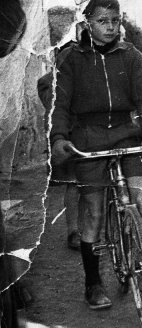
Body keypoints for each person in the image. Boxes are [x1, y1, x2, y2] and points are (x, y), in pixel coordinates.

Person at [49, 0, 142, 311]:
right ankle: (93, 284)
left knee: (141, 197)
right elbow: (60, 105)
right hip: (88, 137)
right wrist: (60, 137)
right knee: (93, 210)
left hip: (125, 134)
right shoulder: (72, 60)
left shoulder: (130, 55)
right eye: (103, 21)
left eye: (115, 21)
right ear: (87, 23)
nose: (110, 27)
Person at [38, 44, 81, 250]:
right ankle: (73, 231)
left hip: (91, 136)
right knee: (74, 184)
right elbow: (52, 107)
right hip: (68, 138)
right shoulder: (49, 82)